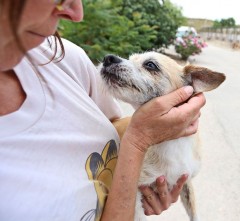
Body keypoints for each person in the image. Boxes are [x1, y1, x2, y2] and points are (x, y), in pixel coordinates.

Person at [0, 0, 206, 220]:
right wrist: (139, 141)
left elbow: (113, 126)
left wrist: (151, 190)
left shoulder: (65, 59)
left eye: (150, 66)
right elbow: (133, 138)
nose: (77, 13)